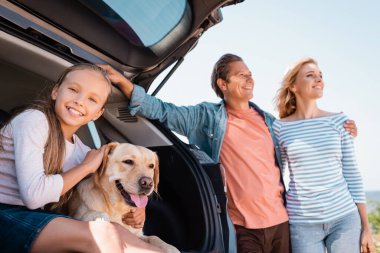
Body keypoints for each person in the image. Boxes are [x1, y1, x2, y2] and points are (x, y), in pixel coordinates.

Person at [99, 54, 357, 253]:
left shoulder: (270, 122)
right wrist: (125, 84)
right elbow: (165, 110)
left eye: (250, 74)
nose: (249, 79)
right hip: (243, 228)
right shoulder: (206, 118)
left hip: (281, 224)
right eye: (241, 75)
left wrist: (342, 128)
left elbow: (305, 144)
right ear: (223, 84)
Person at [0, 63, 161, 253]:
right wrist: (86, 167)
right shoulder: (34, 120)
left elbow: (109, 184)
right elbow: (34, 197)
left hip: (35, 215)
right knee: (103, 235)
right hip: (6, 211)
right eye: (73, 90)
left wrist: (137, 206)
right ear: (55, 91)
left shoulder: (83, 151)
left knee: (114, 229)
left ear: (98, 113)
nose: (80, 101)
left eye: (92, 99)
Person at [273, 57, 375, 253]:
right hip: (302, 223)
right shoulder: (279, 128)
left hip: (344, 219)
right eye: (310, 75)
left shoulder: (339, 122)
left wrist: (366, 228)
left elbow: (352, 175)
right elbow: (277, 177)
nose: (318, 79)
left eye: (320, 75)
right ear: (293, 86)